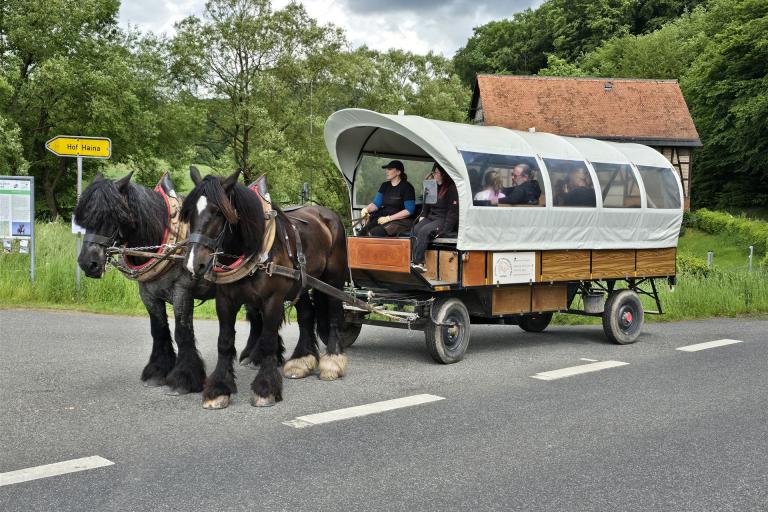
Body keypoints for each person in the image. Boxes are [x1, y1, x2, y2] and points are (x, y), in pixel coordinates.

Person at [411, 165, 459, 272]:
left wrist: (446, 229)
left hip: (443, 219)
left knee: (424, 231)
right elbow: (426, 205)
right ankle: (412, 260)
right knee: (415, 228)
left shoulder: (451, 189)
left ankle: (419, 263)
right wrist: (422, 216)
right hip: (432, 217)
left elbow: (453, 213)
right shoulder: (432, 186)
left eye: (436, 173)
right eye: (433, 172)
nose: (434, 175)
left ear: (444, 174)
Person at [359, 160, 416, 236]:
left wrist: (389, 218)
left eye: (390, 169)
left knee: (374, 233)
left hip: (400, 221)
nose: (387, 171)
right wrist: (366, 209)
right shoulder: (384, 185)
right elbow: (376, 204)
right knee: (362, 233)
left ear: (398, 172)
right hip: (383, 217)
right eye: (387, 169)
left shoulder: (407, 187)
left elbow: (409, 210)